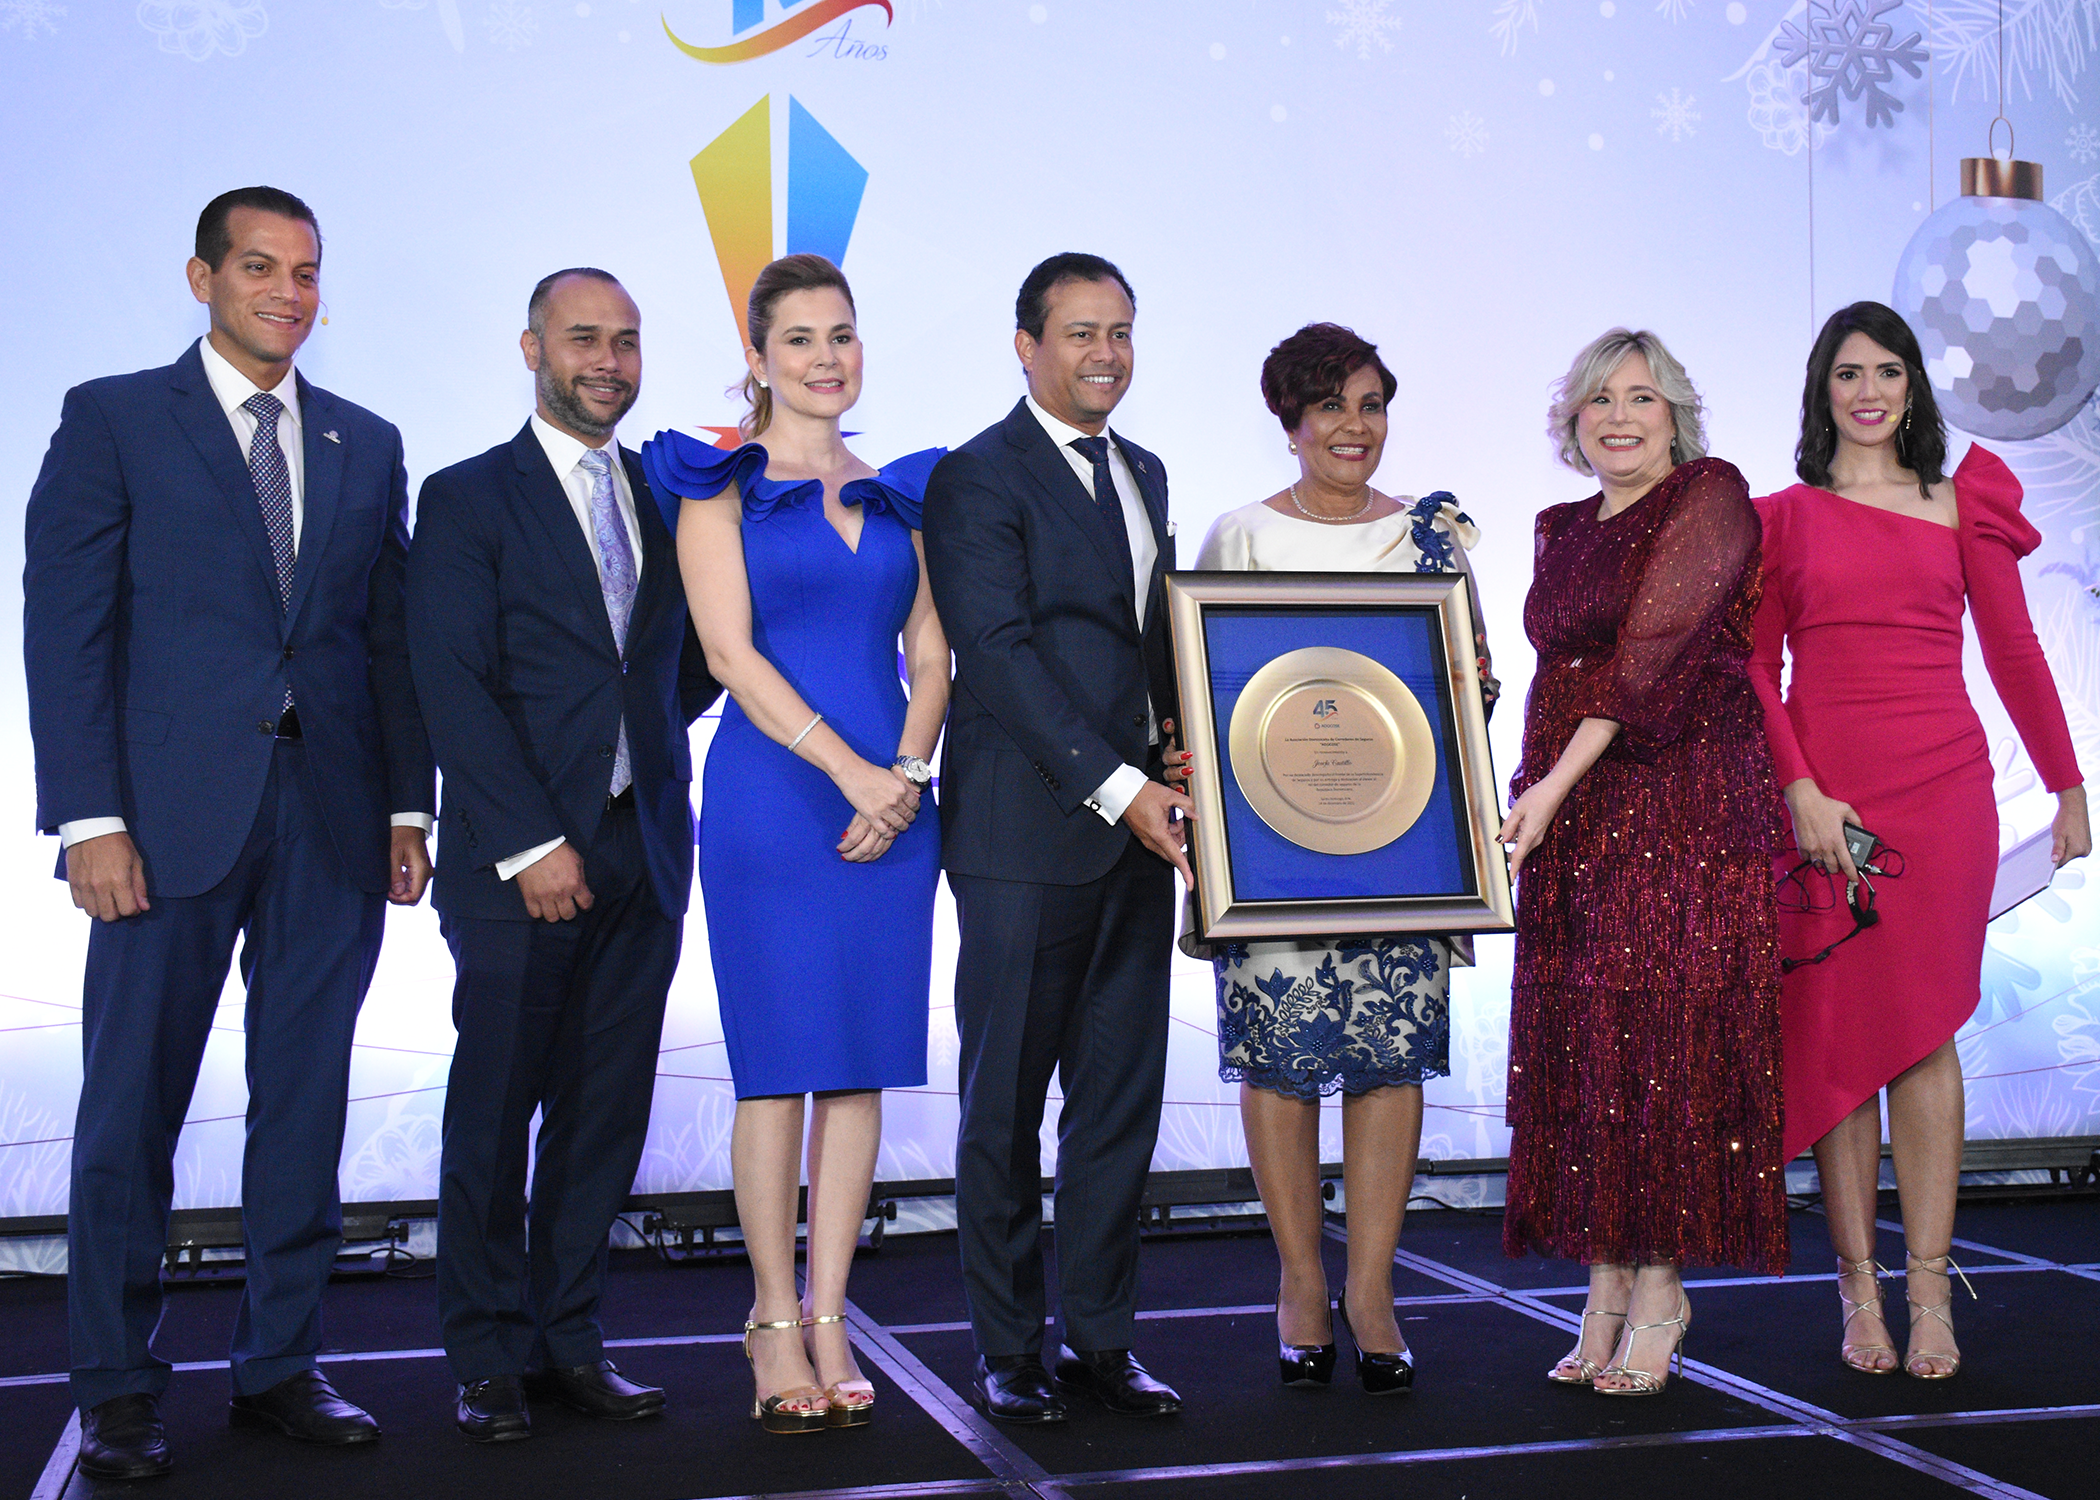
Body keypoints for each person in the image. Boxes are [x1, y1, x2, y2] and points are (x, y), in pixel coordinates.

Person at [22, 186, 435, 1480]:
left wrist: (407, 803)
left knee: (304, 1107)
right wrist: (89, 817)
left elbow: (387, 639)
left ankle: (279, 1367)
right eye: (260, 267)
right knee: (129, 1113)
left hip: (333, 821)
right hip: (160, 827)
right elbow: (64, 626)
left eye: (306, 272)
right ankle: (116, 1388)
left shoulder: (368, 440)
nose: (288, 292)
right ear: (202, 278)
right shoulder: (112, 418)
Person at [406, 268, 719, 1443]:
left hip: (645, 849)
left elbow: (687, 663)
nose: (609, 361)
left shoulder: (664, 497)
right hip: (517, 863)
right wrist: (537, 839)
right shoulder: (465, 497)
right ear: (531, 348)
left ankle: (569, 1341)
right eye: (584, 338)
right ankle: (487, 1355)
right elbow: (451, 681)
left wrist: (638, 759)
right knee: (495, 1117)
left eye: (626, 342)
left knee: (603, 1115)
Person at [639, 253, 948, 1433]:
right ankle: (772, 1318)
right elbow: (728, 654)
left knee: (858, 1066)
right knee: (777, 1069)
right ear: (759, 358)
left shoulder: (907, 490)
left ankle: (831, 1313)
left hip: (894, 808)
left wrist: (904, 776)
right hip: (775, 800)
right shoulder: (716, 483)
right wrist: (854, 774)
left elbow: (934, 653)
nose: (828, 358)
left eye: (843, 335)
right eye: (802, 339)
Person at [1751, 301, 2088, 1380]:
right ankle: (1859, 1295)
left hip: (1944, 797)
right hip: (1827, 804)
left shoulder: (1962, 499)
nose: (1868, 391)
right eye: (1848, 373)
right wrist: (1800, 790)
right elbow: (1756, 669)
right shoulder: (1779, 519)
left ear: (1912, 388)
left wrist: (2069, 786)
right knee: (1841, 1041)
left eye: (1887, 371)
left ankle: (1932, 1292)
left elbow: (2017, 650)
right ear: (1822, 390)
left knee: (1927, 1030)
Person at [1194, 322, 1499, 1395]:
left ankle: (1371, 1290)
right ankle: (1299, 1279)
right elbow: (1198, 688)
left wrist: (1456, 701)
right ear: (1290, 422)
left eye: (1371, 405)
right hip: (1271, 857)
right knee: (1280, 1065)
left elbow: (1473, 688)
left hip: (1401, 853)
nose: (1353, 427)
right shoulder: (1238, 536)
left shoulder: (1430, 538)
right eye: (1330, 406)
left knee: (1387, 1061)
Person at [922, 253, 1189, 1425]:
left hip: (1139, 838)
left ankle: (1102, 1340)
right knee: (1004, 1109)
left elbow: (1149, 644)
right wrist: (1124, 787)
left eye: (1120, 331)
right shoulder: (975, 476)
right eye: (1081, 332)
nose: (1105, 354)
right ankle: (1007, 1350)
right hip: (1022, 839)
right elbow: (999, 655)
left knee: (1118, 1105)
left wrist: (1182, 754)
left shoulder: (1147, 470)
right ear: (1026, 345)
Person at [1497, 328, 1789, 1396]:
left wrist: (1549, 789)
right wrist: (1528, 782)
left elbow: (1645, 664)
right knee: (1588, 1048)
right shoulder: (1560, 525)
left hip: (1681, 804)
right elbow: (1554, 671)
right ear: (1572, 420)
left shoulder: (1709, 496)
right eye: (1598, 399)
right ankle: (1605, 1284)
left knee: (1662, 1044)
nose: (1618, 417)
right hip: (1572, 806)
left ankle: (1662, 1289)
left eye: (1642, 398)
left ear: (1676, 416)